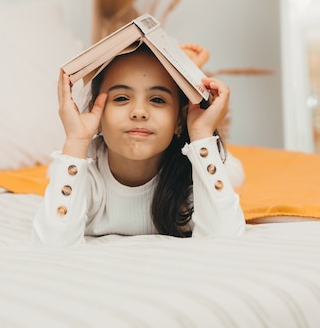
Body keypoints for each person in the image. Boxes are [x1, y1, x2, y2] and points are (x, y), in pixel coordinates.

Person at [31, 45, 246, 247]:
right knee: (55, 170)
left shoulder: (189, 175)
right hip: (90, 154)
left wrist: (200, 134)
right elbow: (52, 244)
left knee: (231, 170)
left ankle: (184, 65)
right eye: (122, 98)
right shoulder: (86, 174)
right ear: (96, 114)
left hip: (192, 154)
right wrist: (76, 141)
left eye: (158, 100)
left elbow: (225, 241)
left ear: (179, 121)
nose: (139, 112)